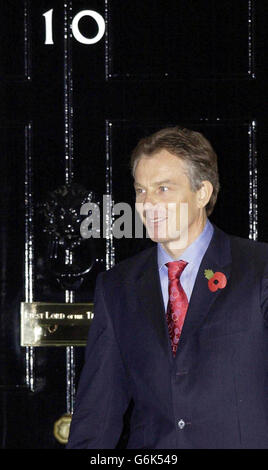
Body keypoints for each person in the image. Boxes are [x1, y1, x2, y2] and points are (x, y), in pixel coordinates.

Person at [67, 126, 268, 449]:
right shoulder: (117, 286)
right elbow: (98, 411)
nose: (147, 204)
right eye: (141, 190)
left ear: (201, 193)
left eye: (163, 189)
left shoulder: (258, 268)